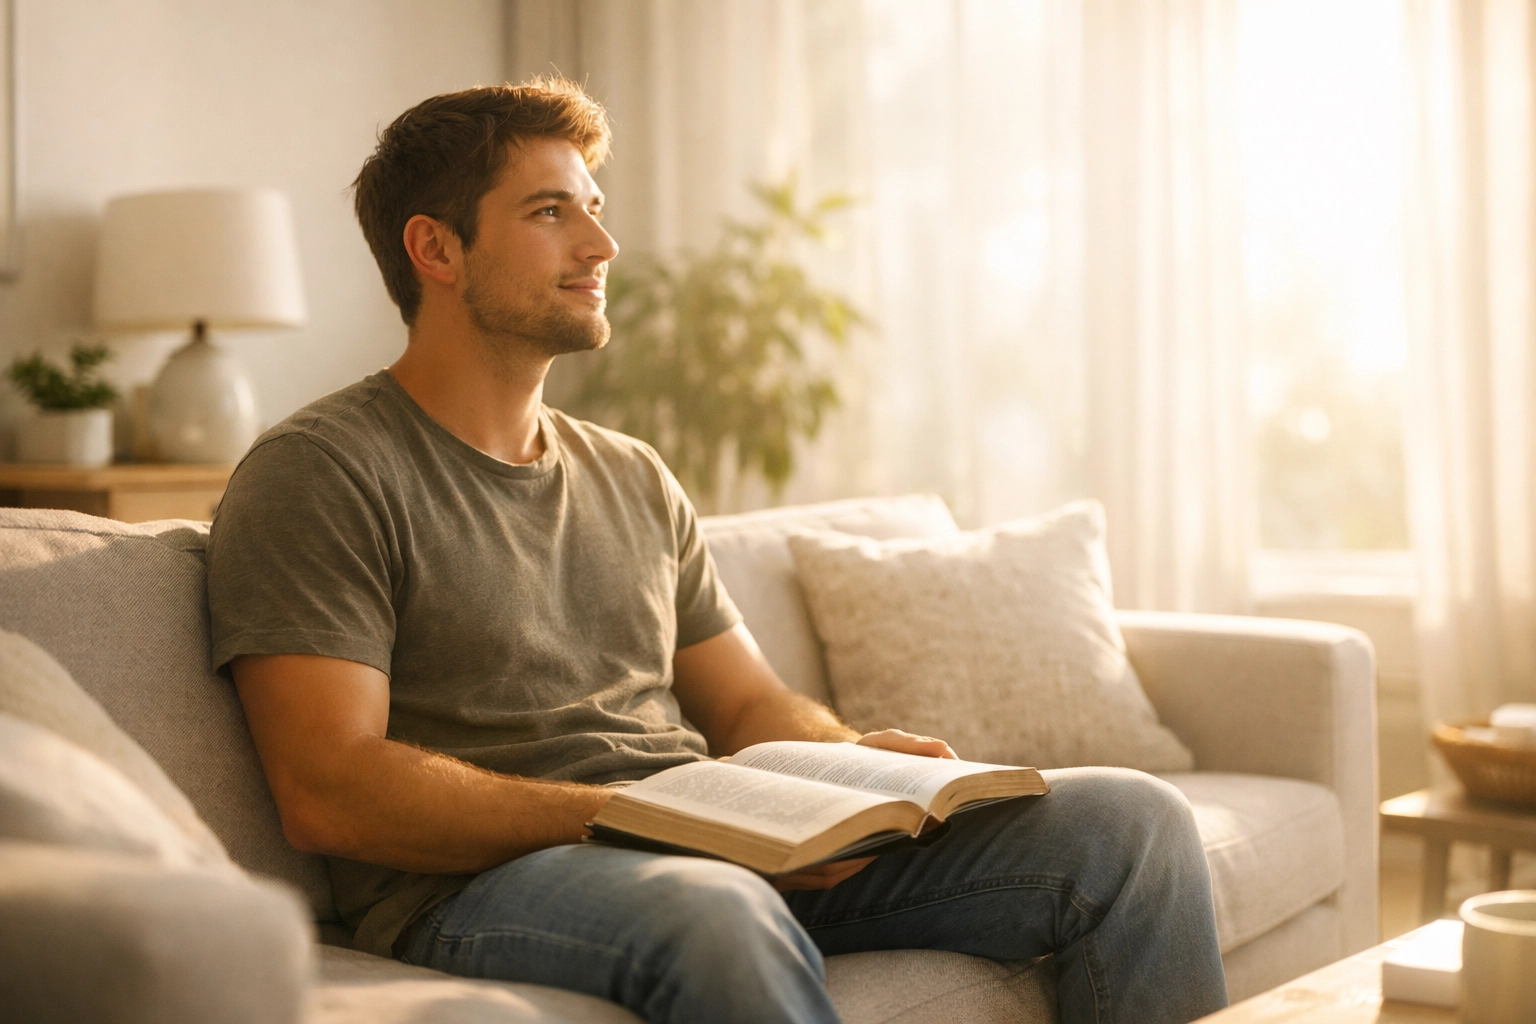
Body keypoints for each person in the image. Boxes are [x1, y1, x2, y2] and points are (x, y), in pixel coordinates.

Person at [206, 77, 1228, 1024]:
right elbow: (329, 786)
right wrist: (652, 819)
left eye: (594, 207)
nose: (602, 245)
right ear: (436, 249)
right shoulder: (323, 471)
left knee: (1130, 826)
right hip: (486, 885)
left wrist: (842, 765)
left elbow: (744, 704)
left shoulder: (633, 474)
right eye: (552, 211)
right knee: (717, 908)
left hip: (707, 844)